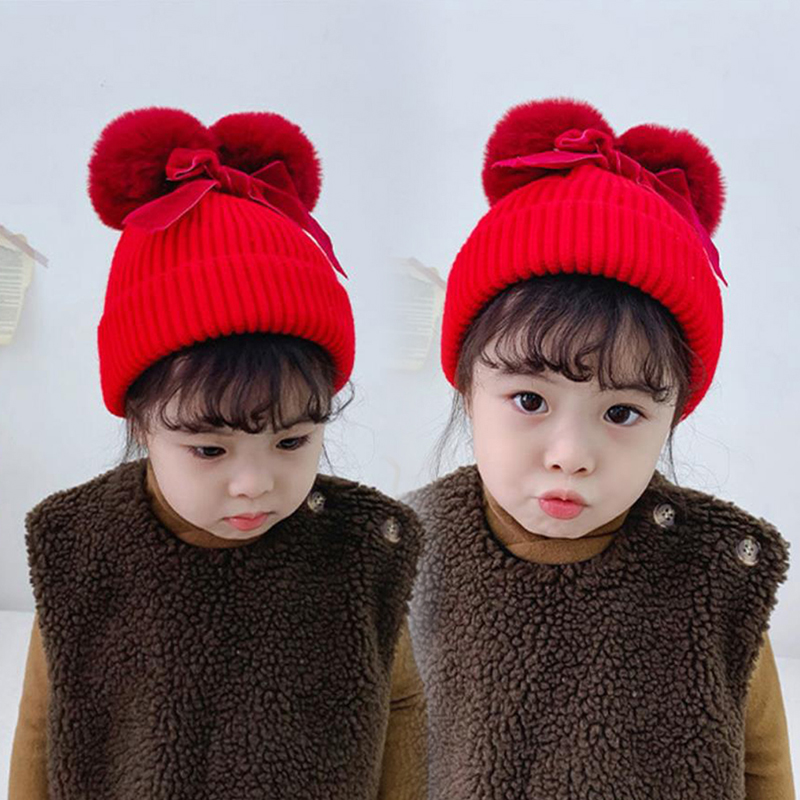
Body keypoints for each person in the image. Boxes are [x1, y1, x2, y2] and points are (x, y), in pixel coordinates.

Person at [8, 106, 426, 799]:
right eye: (208, 448)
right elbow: (40, 723)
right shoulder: (79, 544)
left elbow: (403, 703)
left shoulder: (360, 550)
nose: (254, 482)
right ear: (141, 422)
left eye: (292, 441)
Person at [402, 98, 794, 799]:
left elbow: (762, 765)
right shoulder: (409, 557)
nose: (570, 454)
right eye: (530, 401)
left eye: (622, 412)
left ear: (671, 417)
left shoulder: (714, 574)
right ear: (466, 388)